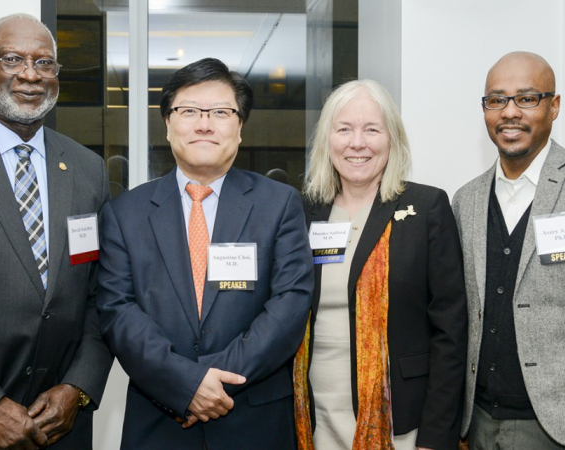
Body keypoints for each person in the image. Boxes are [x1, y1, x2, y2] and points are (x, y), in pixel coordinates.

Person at [96, 58, 313, 450]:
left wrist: (210, 381)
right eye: (189, 111)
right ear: (167, 123)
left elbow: (290, 303)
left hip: (253, 418)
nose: (204, 124)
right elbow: (117, 310)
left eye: (220, 112)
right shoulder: (125, 212)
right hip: (159, 421)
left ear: (240, 126)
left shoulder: (278, 204)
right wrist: (184, 384)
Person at [0, 13, 112, 450]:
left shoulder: (88, 169)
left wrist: (78, 386)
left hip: (61, 426)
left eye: (45, 63)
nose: (30, 75)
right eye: (11, 59)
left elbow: (102, 293)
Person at [294, 79, 467, 450]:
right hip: (316, 416)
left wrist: (436, 435)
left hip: (401, 420)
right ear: (328, 139)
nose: (358, 142)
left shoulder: (426, 208)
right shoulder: (303, 213)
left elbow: (450, 331)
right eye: (344, 129)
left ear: (392, 139)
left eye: (372, 129)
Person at [453, 51, 565, 449]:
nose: (510, 112)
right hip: (478, 422)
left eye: (527, 98)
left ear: (553, 106)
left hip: (554, 424)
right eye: (497, 100)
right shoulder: (465, 201)